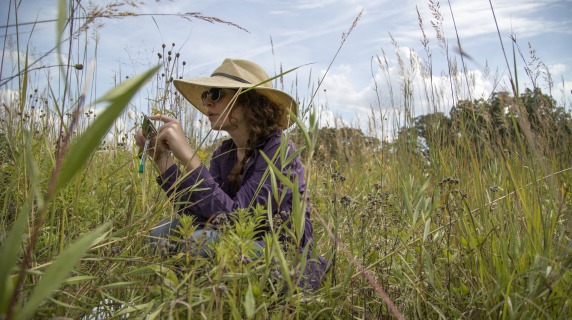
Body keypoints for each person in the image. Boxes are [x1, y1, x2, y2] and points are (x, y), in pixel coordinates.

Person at [135, 58, 327, 290]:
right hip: (241, 245)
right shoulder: (224, 153)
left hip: (285, 258)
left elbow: (236, 218)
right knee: (162, 233)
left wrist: (189, 157)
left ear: (247, 101)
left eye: (215, 94)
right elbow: (198, 213)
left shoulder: (279, 151)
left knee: (200, 242)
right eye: (205, 95)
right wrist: (162, 160)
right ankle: (190, 301)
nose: (207, 102)